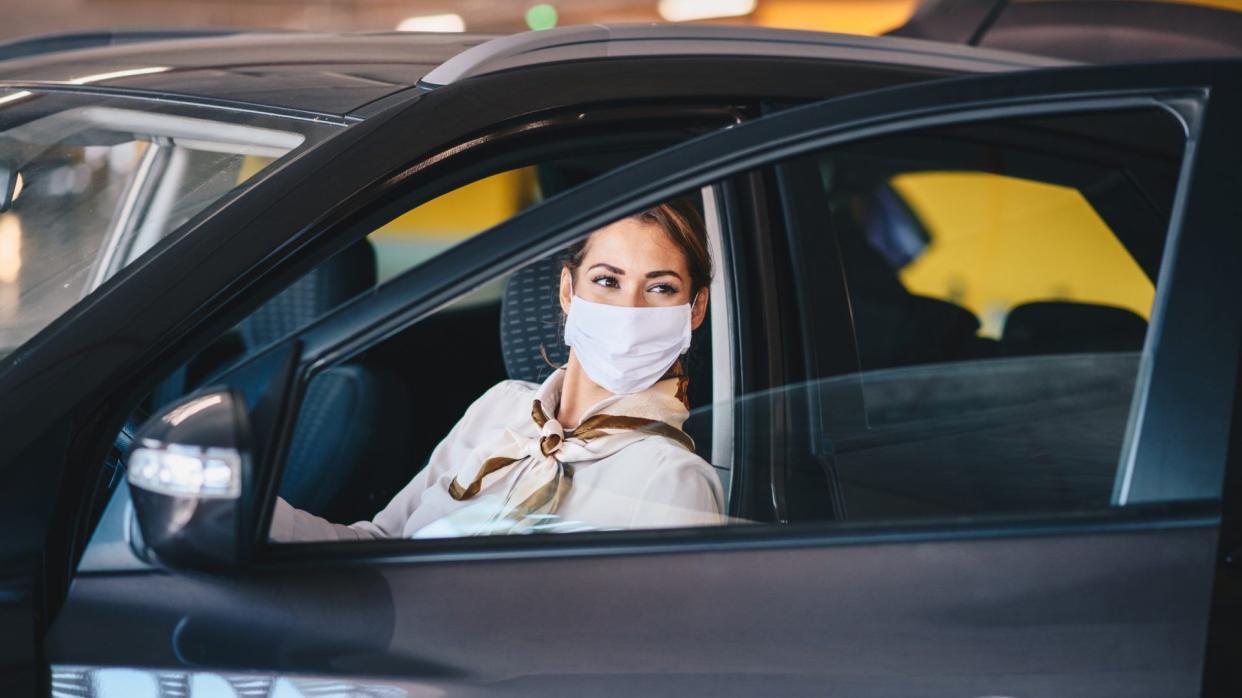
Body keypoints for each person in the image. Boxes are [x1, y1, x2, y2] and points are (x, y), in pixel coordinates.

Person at [269, 200, 724, 541]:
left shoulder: (671, 480)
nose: (629, 310)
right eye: (607, 281)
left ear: (695, 308)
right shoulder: (500, 407)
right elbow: (382, 544)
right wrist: (252, 515)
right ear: (568, 292)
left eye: (661, 288)